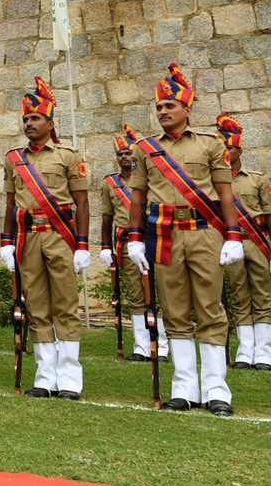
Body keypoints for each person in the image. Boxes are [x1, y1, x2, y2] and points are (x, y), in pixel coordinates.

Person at [126, 64, 242, 416]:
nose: (162, 111)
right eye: (159, 107)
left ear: (187, 110)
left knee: (210, 310)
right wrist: (134, 240)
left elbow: (225, 193)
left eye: (169, 106)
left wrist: (233, 235)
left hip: (205, 233)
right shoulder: (145, 149)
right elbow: (137, 197)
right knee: (174, 312)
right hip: (163, 236)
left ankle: (216, 389)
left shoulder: (211, 144)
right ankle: (185, 388)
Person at [0, 77, 91, 399]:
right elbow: (10, 204)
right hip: (28, 237)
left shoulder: (68, 155)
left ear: (50, 123)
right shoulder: (14, 158)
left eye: (35, 118)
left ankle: (69, 377)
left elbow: (82, 203)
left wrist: (82, 244)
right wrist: (6, 241)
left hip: (59, 235)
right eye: (25, 119)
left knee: (65, 305)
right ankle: (45, 376)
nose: (29, 123)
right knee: (36, 306)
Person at [101, 125, 167, 361]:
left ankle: (162, 347)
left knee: (157, 293)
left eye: (128, 152)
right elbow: (106, 217)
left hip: (151, 240)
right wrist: (104, 246)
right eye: (120, 154)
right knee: (135, 295)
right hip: (127, 243)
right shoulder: (110, 183)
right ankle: (141, 346)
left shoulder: (151, 177)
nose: (124, 157)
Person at [216, 115, 271, 371]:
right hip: (231, 242)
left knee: (263, 296)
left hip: (257, 242)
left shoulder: (257, 179)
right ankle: (245, 351)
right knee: (239, 296)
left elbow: (268, 214)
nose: (227, 152)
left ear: (240, 150)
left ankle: (264, 352)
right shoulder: (215, 180)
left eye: (230, 148)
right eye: (223, 148)